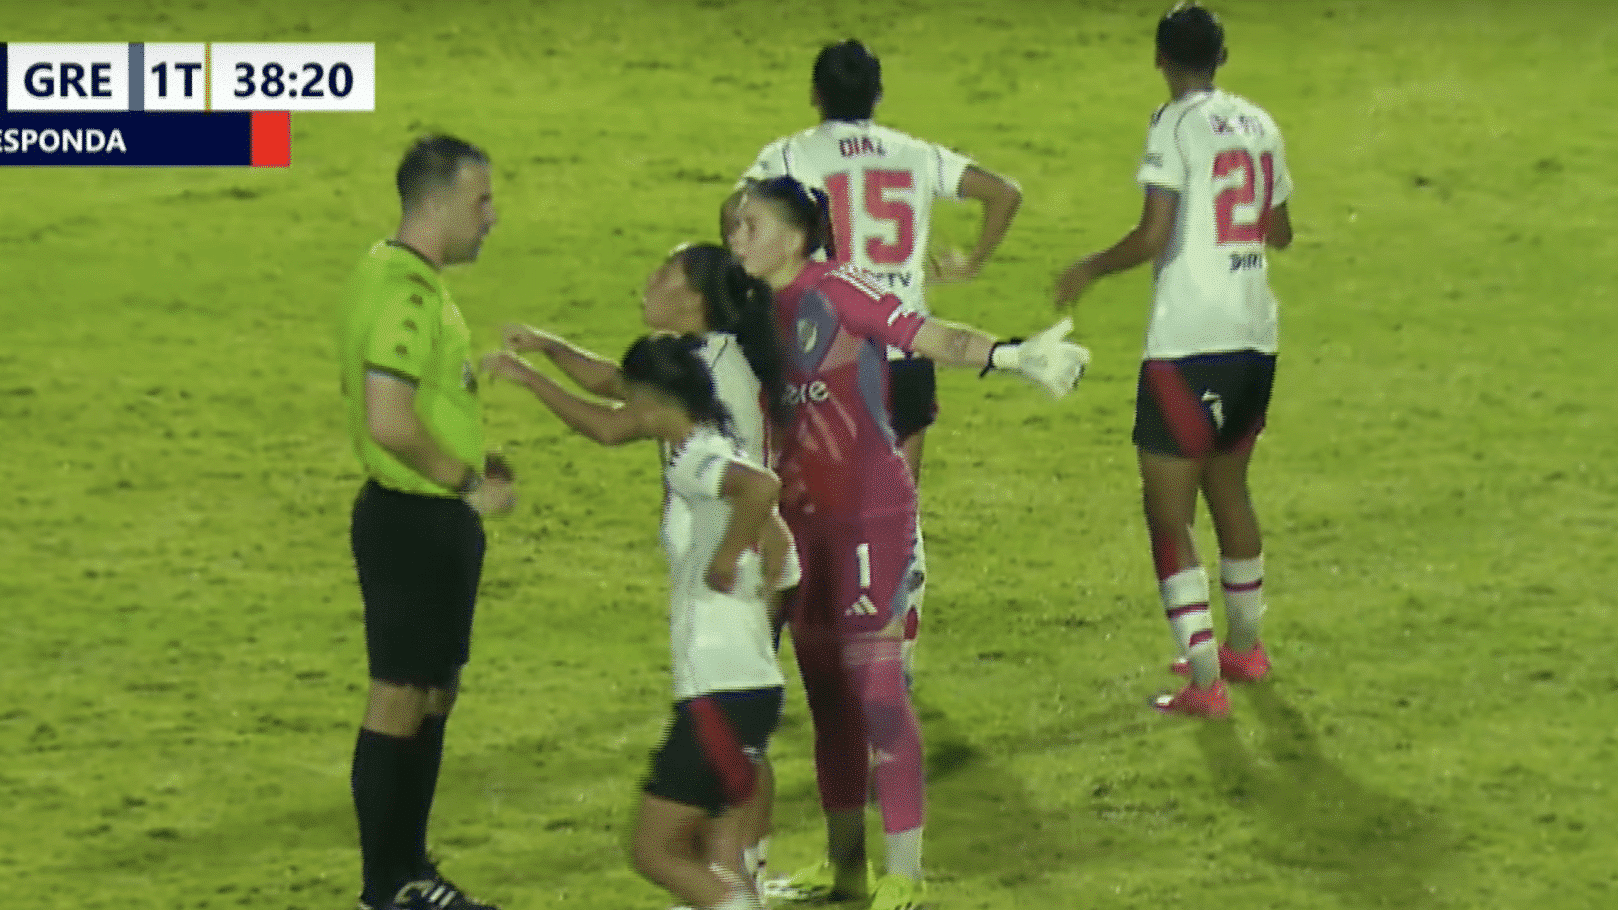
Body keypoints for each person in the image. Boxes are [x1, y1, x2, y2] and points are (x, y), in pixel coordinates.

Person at [726, 175, 1085, 910]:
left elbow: (930, 337)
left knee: (879, 694)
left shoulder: (839, 289)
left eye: (750, 224)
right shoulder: (753, 315)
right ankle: (845, 870)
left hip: (870, 518)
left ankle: (906, 876)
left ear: (795, 235)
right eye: (735, 226)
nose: (737, 238)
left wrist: (1013, 358)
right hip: (802, 528)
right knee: (827, 698)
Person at [495, 242, 795, 895]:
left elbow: (613, 420)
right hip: (744, 559)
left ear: (695, 298)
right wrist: (548, 348)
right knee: (740, 731)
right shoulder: (700, 362)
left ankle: (740, 882)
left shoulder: (707, 394)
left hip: (731, 579)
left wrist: (731, 558)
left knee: (730, 728)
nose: (650, 279)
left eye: (666, 273)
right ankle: (732, 877)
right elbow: (617, 385)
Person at [723, 38, 1025, 682]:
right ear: (877, 96)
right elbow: (1005, 192)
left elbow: (738, 222)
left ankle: (755, 668)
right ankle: (889, 668)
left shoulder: (789, 155)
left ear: (816, 95)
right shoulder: (915, 155)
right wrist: (971, 261)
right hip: (903, 357)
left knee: (795, 515)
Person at [1052, 2, 1294, 719]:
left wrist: (1091, 267)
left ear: (1161, 57)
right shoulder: (1261, 123)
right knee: (1230, 491)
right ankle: (1245, 649)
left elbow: (1155, 233)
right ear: (1223, 56)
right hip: (1255, 336)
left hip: (1190, 343)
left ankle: (1203, 681)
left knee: (1168, 514)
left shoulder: (1174, 123)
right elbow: (1279, 231)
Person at [337, 134, 513, 910]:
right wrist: (468, 481)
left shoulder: (387, 271)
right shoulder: (408, 292)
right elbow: (389, 418)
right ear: (437, 204)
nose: (491, 217)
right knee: (400, 698)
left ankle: (412, 870)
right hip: (412, 521)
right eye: (481, 201)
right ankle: (389, 884)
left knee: (433, 694)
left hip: (424, 518)